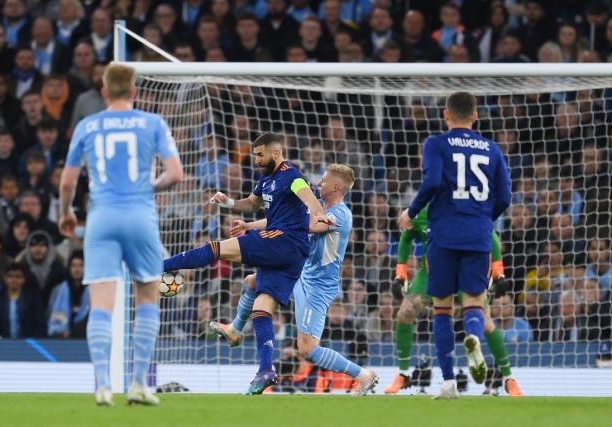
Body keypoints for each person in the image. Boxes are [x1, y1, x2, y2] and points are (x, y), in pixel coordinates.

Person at [161, 132, 331, 395]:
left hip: (283, 241)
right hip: (290, 255)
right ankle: (265, 370)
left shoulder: (291, 176)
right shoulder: (267, 179)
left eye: (260, 155)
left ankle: (161, 266)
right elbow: (251, 204)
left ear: (275, 153)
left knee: (217, 249)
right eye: (254, 156)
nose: (256, 160)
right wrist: (227, 202)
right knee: (262, 309)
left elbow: (308, 198)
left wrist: (320, 213)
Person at [59, 63, 183, 406]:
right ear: (135, 92)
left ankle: (101, 385)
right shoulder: (152, 123)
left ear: (102, 92)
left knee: (101, 303)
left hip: (101, 217)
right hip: (140, 216)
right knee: (146, 298)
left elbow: (68, 181)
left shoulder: (87, 125)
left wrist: (65, 213)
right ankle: (139, 384)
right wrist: (149, 188)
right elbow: (175, 174)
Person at [208, 164, 378, 396]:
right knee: (252, 282)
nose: (318, 184)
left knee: (307, 348)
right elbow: (287, 220)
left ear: (336, 186)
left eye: (324, 181)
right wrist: (249, 225)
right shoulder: (321, 210)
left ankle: (363, 375)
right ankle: (236, 329)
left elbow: (299, 224)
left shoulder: (340, 214)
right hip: (301, 274)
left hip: (318, 286)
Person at [398, 91, 511, 399]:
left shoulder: (435, 143)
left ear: (445, 115)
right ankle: (473, 336)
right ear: (476, 116)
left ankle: (448, 383)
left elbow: (432, 182)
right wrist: (483, 218)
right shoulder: (492, 149)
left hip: (444, 234)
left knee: (442, 309)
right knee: (474, 303)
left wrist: (411, 210)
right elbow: (504, 197)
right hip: (478, 234)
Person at [385, 206, 523, 396]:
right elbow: (407, 238)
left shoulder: (466, 205)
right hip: (431, 271)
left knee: (487, 323)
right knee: (405, 313)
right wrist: (400, 274)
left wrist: (498, 272)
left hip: (466, 269)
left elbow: (491, 236)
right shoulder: (423, 210)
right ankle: (403, 374)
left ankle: (509, 378)